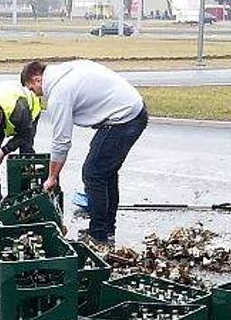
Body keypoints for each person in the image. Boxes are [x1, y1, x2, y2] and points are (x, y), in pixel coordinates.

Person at [21, 59, 147, 248]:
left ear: (37, 79)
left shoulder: (59, 91)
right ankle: (106, 230)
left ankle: (98, 235)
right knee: (105, 173)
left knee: (93, 174)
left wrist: (52, 176)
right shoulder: (67, 69)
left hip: (124, 119)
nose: (34, 94)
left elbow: (61, 141)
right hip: (131, 111)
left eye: (31, 88)